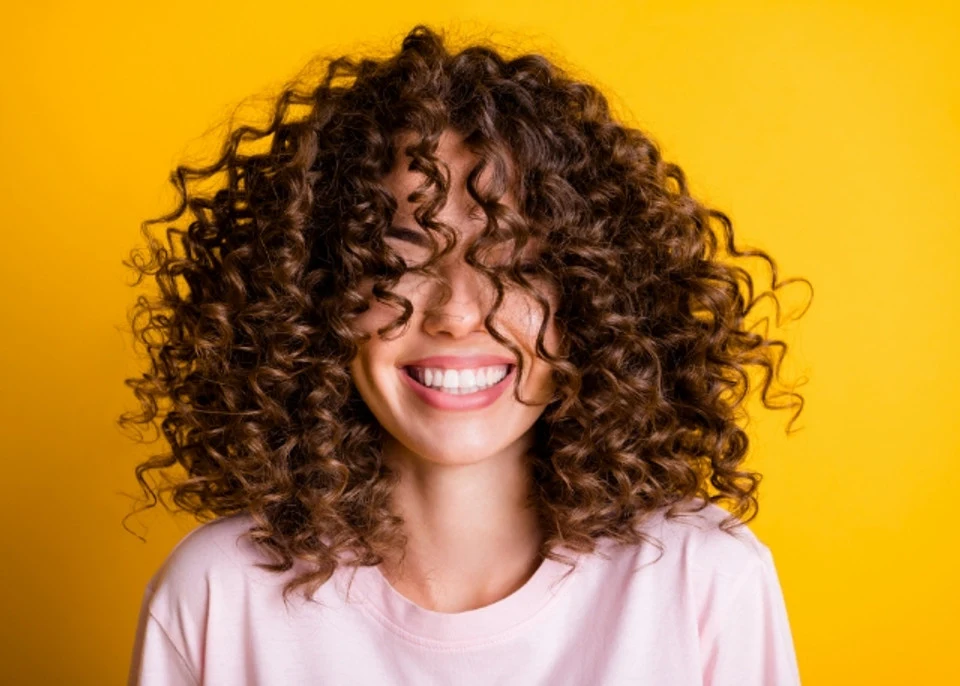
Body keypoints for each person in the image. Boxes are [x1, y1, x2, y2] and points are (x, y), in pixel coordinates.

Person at [122, 23, 810, 685]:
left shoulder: (703, 584)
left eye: (512, 262)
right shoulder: (217, 597)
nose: (456, 313)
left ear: (593, 299)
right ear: (319, 296)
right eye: (400, 258)